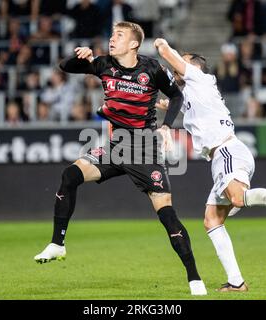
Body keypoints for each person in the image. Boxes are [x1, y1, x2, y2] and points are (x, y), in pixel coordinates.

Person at [34, 21, 207, 296]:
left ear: (134, 44)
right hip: (117, 146)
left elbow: (175, 96)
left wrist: (166, 126)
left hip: (144, 148)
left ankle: (195, 278)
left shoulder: (151, 68)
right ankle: (58, 243)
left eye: (119, 35)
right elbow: (65, 67)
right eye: (112, 34)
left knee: (167, 216)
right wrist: (78, 55)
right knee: (70, 175)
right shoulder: (103, 65)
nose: (112, 39)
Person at [154, 38, 266, 292]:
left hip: (227, 151)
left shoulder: (200, 79)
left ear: (195, 68)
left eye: (184, 63)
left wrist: (162, 45)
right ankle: (236, 282)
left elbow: (169, 56)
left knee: (238, 198)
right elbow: (180, 104)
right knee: (212, 220)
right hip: (222, 156)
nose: (180, 67)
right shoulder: (193, 94)